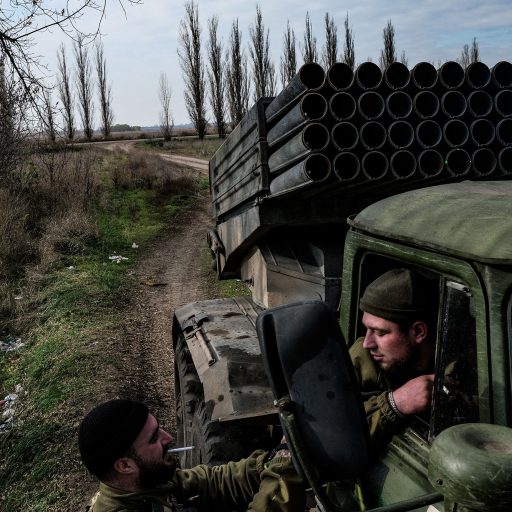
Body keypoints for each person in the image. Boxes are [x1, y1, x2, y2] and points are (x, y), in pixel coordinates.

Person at [78, 399, 305, 512]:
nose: (168, 438)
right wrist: (284, 466)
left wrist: (269, 460)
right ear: (125, 465)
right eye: (154, 438)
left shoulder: (143, 486)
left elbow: (214, 482)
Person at [349, 268, 438, 447]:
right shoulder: (363, 357)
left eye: (380, 332)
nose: (368, 343)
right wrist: (395, 404)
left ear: (418, 332)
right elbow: (329, 433)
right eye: (367, 329)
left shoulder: (460, 372)